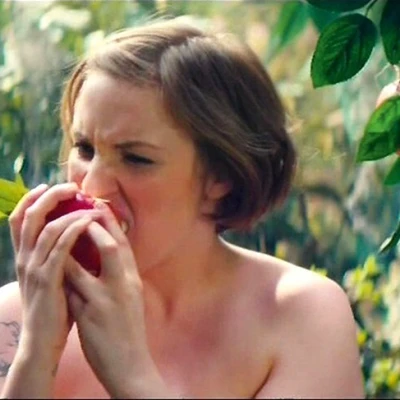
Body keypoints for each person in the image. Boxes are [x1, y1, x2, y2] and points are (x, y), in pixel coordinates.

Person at [0, 18, 364, 399]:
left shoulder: (301, 316)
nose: (92, 186)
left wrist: (130, 374)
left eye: (136, 158)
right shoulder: (18, 315)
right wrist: (36, 355)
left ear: (221, 177)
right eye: (85, 149)